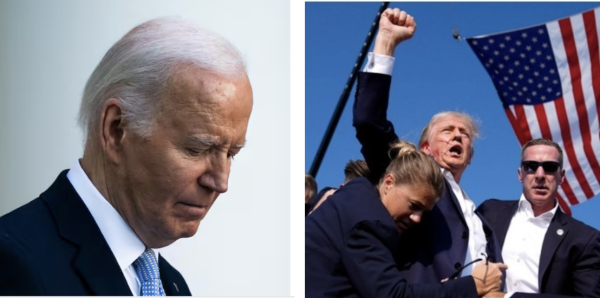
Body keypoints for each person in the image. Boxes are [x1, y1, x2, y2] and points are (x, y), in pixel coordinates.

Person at [0, 17, 253, 296]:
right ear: (116, 129)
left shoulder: (173, 285)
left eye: (231, 153)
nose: (220, 182)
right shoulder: (13, 264)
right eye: (198, 149)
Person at [352, 7, 503, 284]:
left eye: (464, 134)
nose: (457, 136)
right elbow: (368, 122)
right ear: (425, 148)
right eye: (447, 131)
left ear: (471, 156)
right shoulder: (411, 176)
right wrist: (386, 40)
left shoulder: (481, 219)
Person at [306, 141, 507, 298]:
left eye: (424, 212)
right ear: (389, 182)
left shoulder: (354, 197)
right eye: (414, 206)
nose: (417, 218)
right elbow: (392, 295)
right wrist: (474, 284)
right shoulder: (368, 224)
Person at [477, 138, 600, 298]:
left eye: (549, 167)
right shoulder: (490, 212)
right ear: (520, 174)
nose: (540, 175)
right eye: (531, 166)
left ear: (561, 176)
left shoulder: (584, 238)